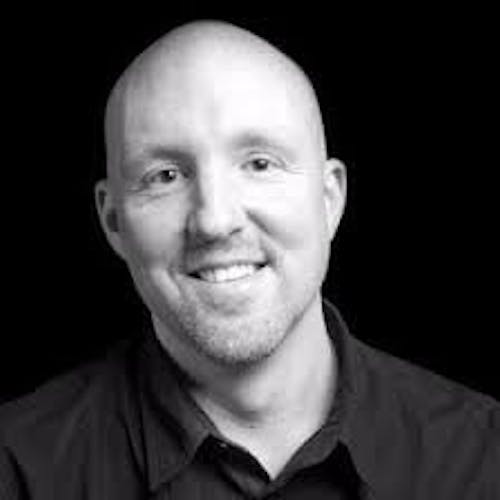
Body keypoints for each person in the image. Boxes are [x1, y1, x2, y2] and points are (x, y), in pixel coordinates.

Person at [0, 20, 498, 499]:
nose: (215, 221)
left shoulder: (483, 457)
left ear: (329, 200)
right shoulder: (16, 468)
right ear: (114, 222)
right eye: (166, 176)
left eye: (259, 164)